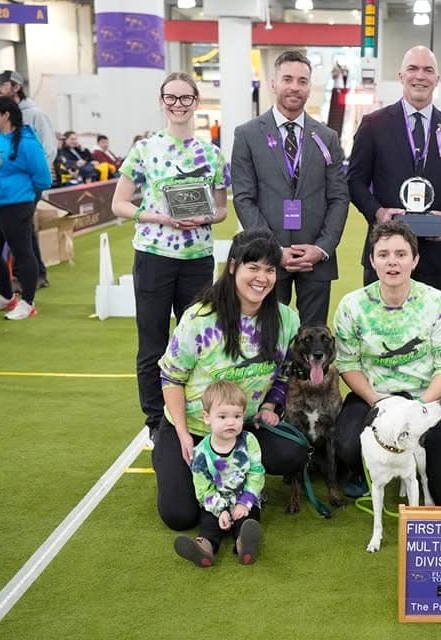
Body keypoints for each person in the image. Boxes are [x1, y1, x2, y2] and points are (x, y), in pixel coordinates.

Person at [155, 229, 308, 530]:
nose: (262, 278)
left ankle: (234, 489)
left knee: (293, 453)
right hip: (196, 428)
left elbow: (285, 370)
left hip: (243, 427)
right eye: (253, 268)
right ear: (234, 266)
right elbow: (170, 377)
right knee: (178, 516)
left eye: (269, 270)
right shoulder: (199, 318)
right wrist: (184, 435)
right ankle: (193, 475)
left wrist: (272, 406)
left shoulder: (286, 319)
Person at [112, 72, 230, 442]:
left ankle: (195, 413)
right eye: (171, 97)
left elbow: (223, 209)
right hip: (153, 256)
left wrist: (205, 216)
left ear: (197, 101)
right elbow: (119, 204)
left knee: (196, 339)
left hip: (197, 258)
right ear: (162, 101)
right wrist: (157, 216)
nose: (178, 104)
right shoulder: (144, 150)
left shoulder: (212, 153)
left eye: (185, 98)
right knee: (152, 343)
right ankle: (155, 423)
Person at [333, 220, 441, 503]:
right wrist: (379, 402)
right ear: (372, 260)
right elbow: (348, 364)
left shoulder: (437, 302)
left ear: (415, 259)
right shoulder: (352, 305)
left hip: (424, 401)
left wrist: (416, 409)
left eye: (400, 254)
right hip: (375, 398)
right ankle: (368, 468)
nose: (392, 262)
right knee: (346, 446)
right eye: (383, 255)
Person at [232, 50, 349, 326]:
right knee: (267, 339)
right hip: (267, 262)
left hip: (316, 261)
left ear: (310, 87)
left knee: (314, 344)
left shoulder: (326, 137)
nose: (294, 87)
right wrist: (274, 250)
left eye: (302, 81)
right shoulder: (247, 135)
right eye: (287, 79)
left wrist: (322, 248)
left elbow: (339, 197)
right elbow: (244, 199)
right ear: (273, 83)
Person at [347, 45, 441, 292]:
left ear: (436, 79)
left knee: (428, 330)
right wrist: (378, 213)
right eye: (413, 68)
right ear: (401, 76)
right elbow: (354, 181)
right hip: (384, 251)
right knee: (379, 326)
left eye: (428, 70)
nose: (420, 76)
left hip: (433, 257)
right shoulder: (373, 125)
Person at [173, 380, 265, 567]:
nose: (231, 422)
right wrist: (220, 510)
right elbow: (203, 489)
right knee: (209, 524)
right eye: (222, 417)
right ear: (207, 417)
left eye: (237, 416)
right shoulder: (201, 453)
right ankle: (204, 547)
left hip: (244, 500)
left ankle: (244, 545)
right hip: (216, 501)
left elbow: (257, 473)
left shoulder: (249, 441)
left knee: (246, 521)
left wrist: (244, 503)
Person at [0, 97, 51, 320]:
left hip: (16, 207)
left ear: (6, 115)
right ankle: (7, 297)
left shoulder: (27, 143)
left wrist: (24, 200)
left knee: (22, 253)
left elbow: (43, 179)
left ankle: (28, 302)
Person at [0, 70, 56, 289]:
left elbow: (48, 148)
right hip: (7, 186)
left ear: (16, 87)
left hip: (28, 184)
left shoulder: (35, 114)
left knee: (21, 228)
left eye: (3, 83)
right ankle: (33, 274)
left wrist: (36, 180)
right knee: (20, 229)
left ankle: (31, 275)